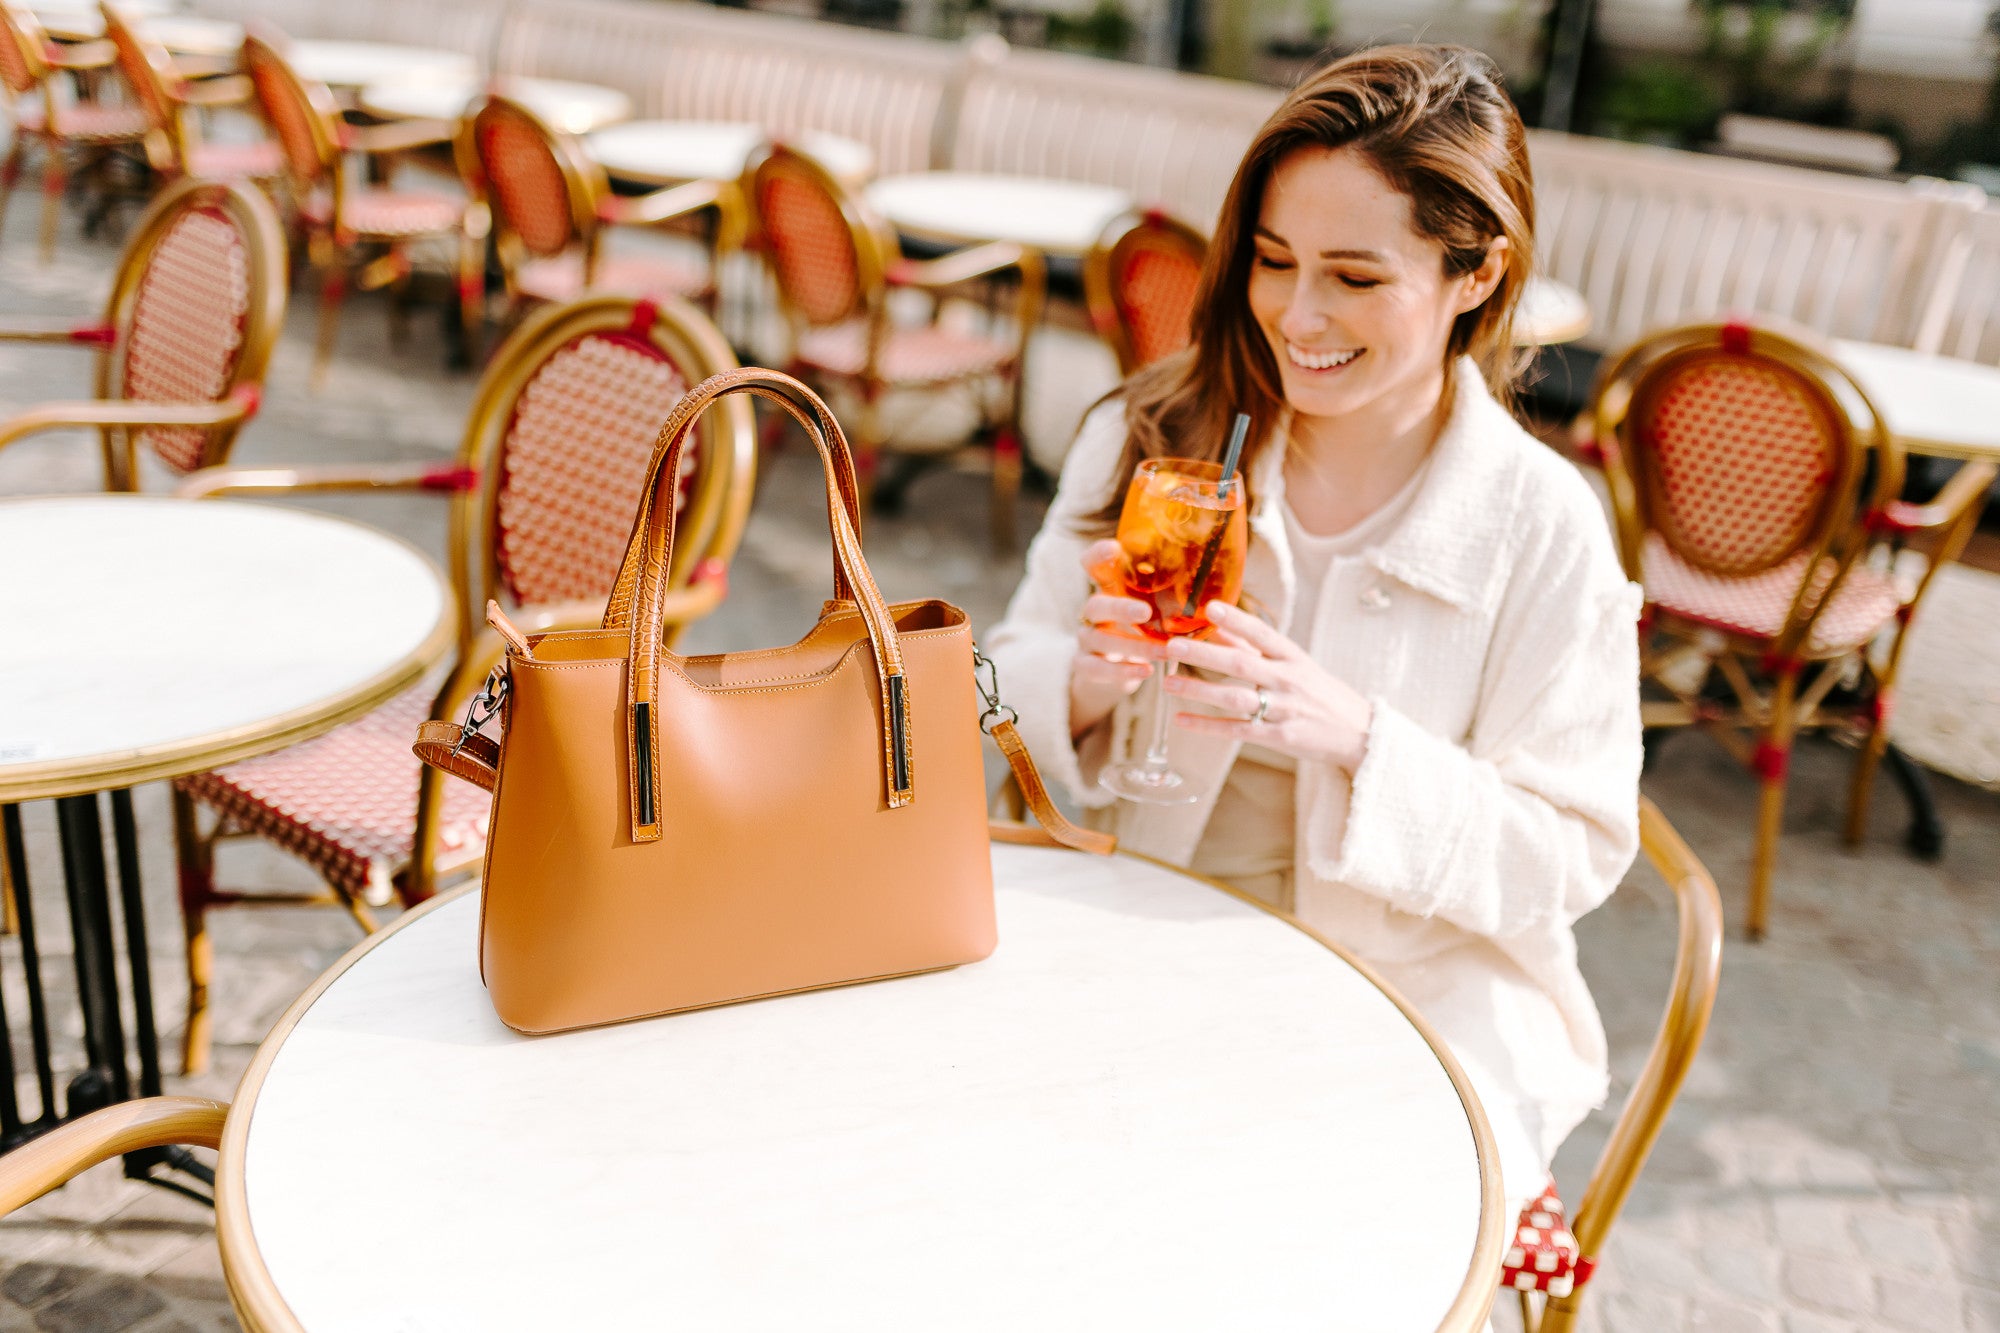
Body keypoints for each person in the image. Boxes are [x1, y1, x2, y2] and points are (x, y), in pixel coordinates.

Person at [985, 44, 1643, 1219]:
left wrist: (1357, 738)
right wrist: (1083, 678)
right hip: (1135, 925)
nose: (1297, 315)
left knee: (1275, 1227)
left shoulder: (1540, 527)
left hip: (1408, 996)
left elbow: (1570, 852)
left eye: (1353, 276)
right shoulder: (1154, 434)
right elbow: (994, 678)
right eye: (1273, 260)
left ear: (1477, 273)